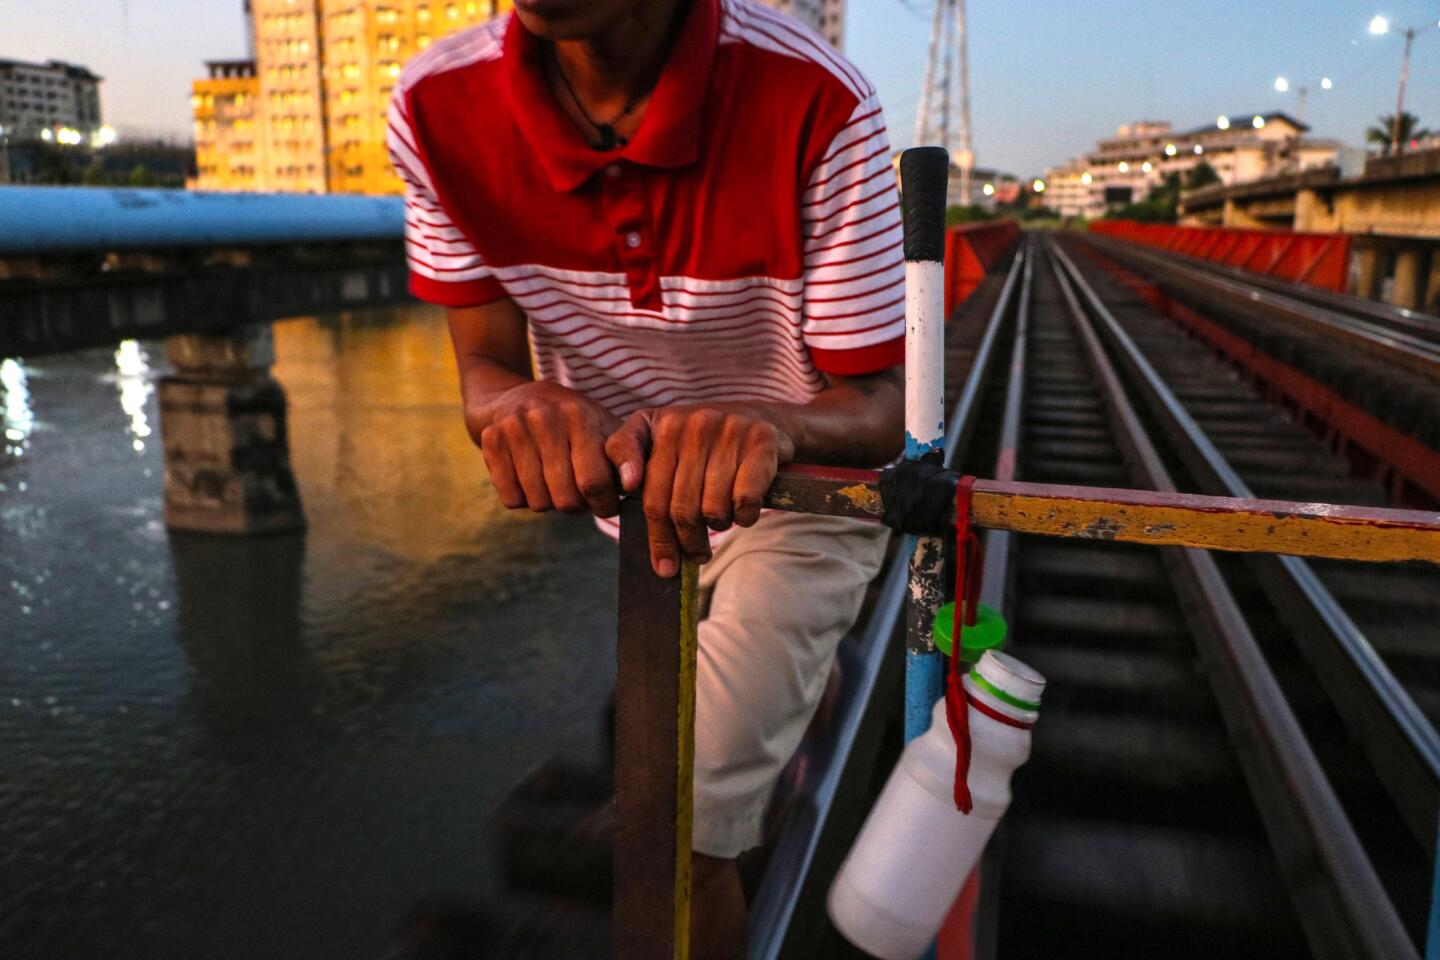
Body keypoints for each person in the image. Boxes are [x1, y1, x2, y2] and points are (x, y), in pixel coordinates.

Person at [387, 0, 904, 955]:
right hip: (645, 500)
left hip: (808, 490)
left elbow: (875, 408)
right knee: (699, 727)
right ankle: (787, 695)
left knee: (670, 838)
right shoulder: (430, 106)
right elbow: (486, 368)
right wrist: (515, 408)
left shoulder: (817, 98)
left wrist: (771, 424)